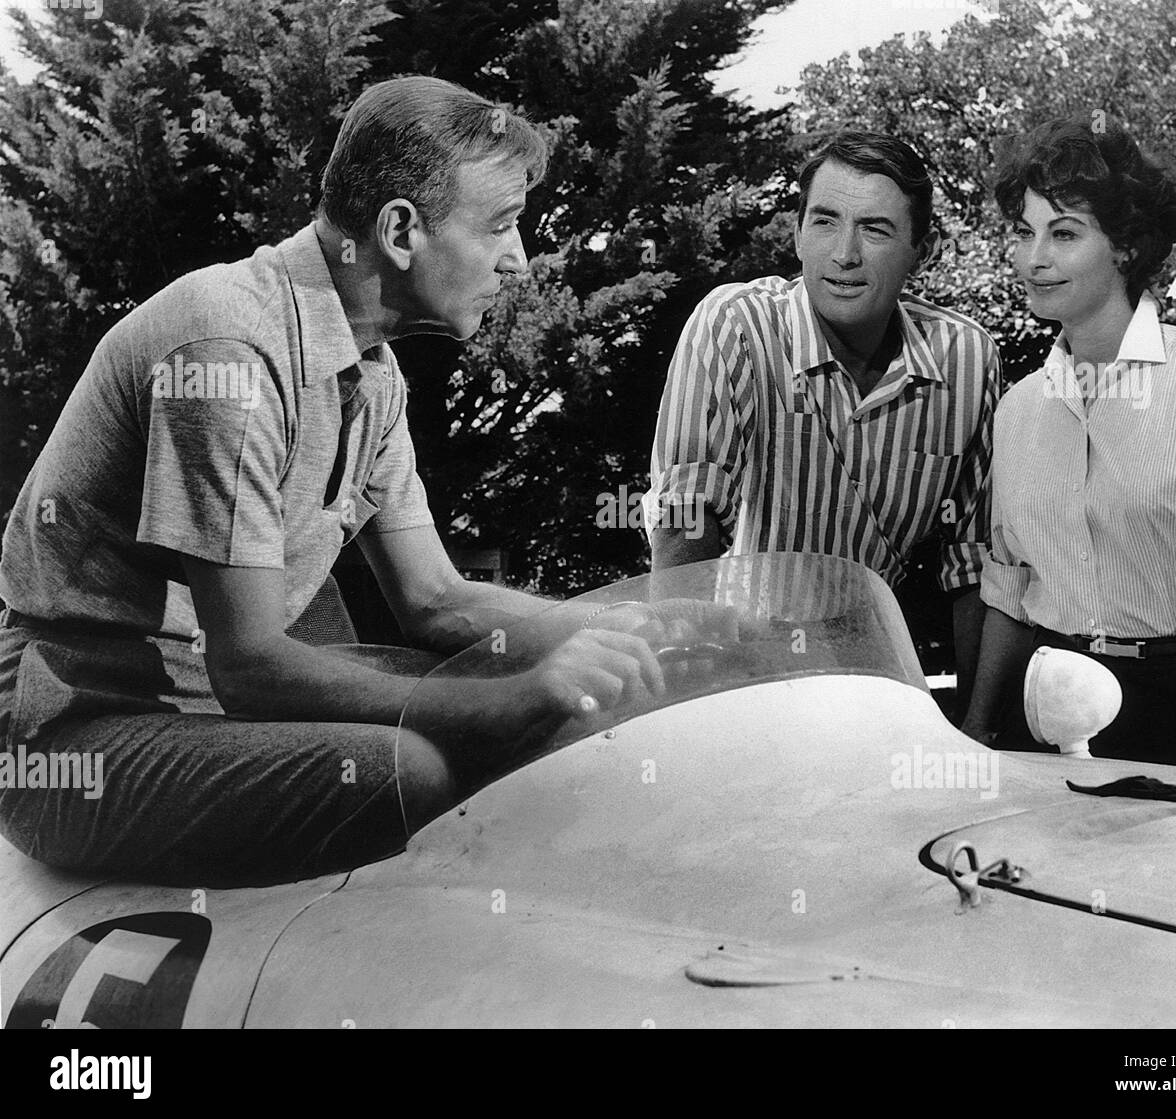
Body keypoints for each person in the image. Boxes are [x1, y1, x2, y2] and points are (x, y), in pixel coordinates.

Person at [0, 77, 685, 886]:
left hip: (209, 718)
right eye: (501, 225)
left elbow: (439, 599)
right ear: (401, 229)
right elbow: (250, 666)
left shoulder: (373, 375)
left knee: (557, 709)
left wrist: (635, 627)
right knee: (412, 767)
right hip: (80, 737)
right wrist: (518, 696)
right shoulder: (229, 353)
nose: (520, 259)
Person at [961, 117, 1176, 773]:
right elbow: (1009, 587)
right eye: (1023, 233)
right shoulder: (1017, 408)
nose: (1035, 257)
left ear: (1125, 247)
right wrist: (978, 730)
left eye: (1063, 233)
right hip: (1042, 709)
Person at [646, 129, 1002, 710]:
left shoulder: (967, 358)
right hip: (732, 671)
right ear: (797, 233)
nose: (845, 254)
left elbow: (974, 562)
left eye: (876, 228)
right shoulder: (735, 325)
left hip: (872, 679)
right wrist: (691, 690)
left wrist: (981, 728)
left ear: (924, 247)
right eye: (825, 221)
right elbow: (686, 520)